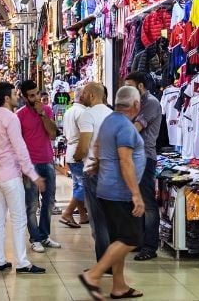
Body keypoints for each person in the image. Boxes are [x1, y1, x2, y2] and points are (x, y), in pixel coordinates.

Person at [78, 86, 145, 301]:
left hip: (106, 189)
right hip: (120, 192)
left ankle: (119, 286)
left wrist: (100, 164)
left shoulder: (109, 121)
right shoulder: (125, 126)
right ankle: (93, 275)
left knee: (118, 238)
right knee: (131, 238)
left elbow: (98, 147)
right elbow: (125, 160)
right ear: (136, 104)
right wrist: (136, 194)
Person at [0, 82, 47, 274]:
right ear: (6, 97)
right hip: (11, 175)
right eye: (14, 94)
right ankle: (21, 262)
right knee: (19, 219)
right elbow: (20, 147)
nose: (17, 96)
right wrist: (32, 174)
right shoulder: (11, 118)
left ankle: (0, 260)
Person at [124, 72, 164, 261]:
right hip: (131, 158)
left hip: (145, 158)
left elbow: (135, 129)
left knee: (147, 203)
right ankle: (138, 240)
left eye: (130, 86)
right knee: (135, 200)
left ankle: (150, 246)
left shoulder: (151, 103)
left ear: (141, 87)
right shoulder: (133, 104)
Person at [17, 80, 61, 252]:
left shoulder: (47, 110)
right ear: (24, 96)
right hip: (30, 164)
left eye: (37, 93)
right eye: (31, 95)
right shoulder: (19, 116)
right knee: (32, 204)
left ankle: (44, 235)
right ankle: (35, 237)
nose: (35, 98)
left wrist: (42, 114)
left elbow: (52, 135)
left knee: (49, 201)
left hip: (47, 161)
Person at [76, 83, 113, 262]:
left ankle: (104, 263)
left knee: (98, 219)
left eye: (83, 93)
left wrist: (76, 156)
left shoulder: (87, 115)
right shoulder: (113, 115)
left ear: (91, 95)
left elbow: (83, 147)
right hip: (113, 171)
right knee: (111, 218)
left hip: (93, 171)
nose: (81, 96)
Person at [59, 88, 88, 229]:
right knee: (84, 185)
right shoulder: (83, 113)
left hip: (70, 152)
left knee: (78, 185)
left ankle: (83, 215)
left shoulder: (69, 111)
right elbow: (85, 136)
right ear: (83, 97)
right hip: (79, 154)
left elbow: (65, 134)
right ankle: (68, 212)